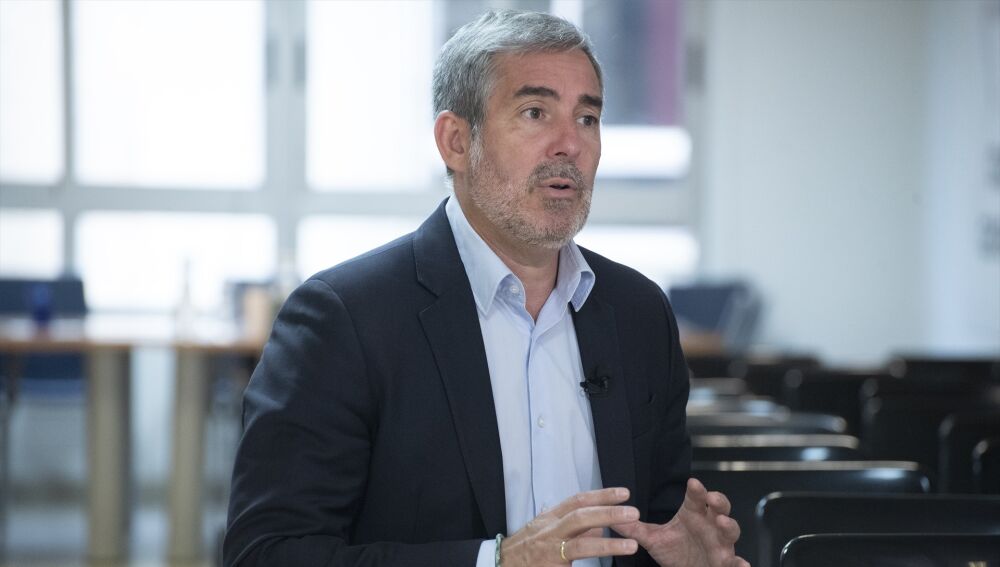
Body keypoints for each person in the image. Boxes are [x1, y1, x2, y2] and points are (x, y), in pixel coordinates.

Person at [224, 10, 747, 567]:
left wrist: (687, 560)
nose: (569, 143)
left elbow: (656, 529)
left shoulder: (639, 314)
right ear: (455, 141)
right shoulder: (345, 319)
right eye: (535, 112)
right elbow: (267, 554)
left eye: (587, 117)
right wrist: (494, 562)